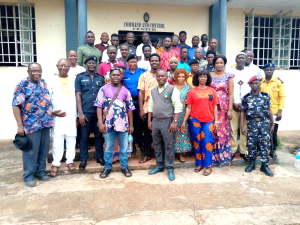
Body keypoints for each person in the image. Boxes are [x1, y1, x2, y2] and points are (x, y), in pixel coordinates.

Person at [12, 63, 56, 187]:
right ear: (28, 72)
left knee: (43, 149)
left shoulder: (43, 83)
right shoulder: (22, 85)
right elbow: (15, 105)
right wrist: (20, 126)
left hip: (45, 122)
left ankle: (40, 172)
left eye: (39, 71)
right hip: (31, 124)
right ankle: (28, 175)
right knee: (31, 151)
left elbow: (45, 102)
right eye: (34, 71)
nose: (37, 73)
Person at [95, 67, 135, 178]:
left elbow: (130, 109)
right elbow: (99, 107)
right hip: (108, 124)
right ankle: (107, 167)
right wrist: (100, 123)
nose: (116, 77)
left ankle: (124, 166)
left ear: (121, 76)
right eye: (113, 75)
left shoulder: (125, 91)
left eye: (118, 75)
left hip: (123, 124)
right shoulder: (103, 89)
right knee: (108, 147)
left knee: (124, 148)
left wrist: (131, 125)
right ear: (110, 76)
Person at [181, 70, 219, 176]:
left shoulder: (212, 91)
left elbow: (215, 106)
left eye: (205, 77)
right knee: (196, 142)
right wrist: (184, 121)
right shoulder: (192, 91)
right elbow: (188, 107)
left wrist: (216, 121)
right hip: (195, 120)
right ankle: (199, 163)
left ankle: (208, 165)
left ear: (207, 78)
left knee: (207, 142)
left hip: (208, 120)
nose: (203, 79)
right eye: (200, 77)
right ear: (197, 78)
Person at [148, 69, 183, 181]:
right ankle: (159, 166)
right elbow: (150, 107)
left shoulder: (172, 89)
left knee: (168, 145)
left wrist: (175, 122)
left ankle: (170, 168)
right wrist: (150, 121)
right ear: (156, 78)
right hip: (156, 121)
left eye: (163, 76)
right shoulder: (153, 90)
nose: (160, 78)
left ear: (167, 76)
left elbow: (178, 106)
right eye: (158, 76)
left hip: (168, 121)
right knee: (157, 145)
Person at [241, 76, 275, 177]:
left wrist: (272, 123)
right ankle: (252, 163)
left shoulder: (265, 96)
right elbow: (243, 112)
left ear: (259, 84)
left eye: (256, 83)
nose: (254, 85)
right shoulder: (246, 97)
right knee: (251, 143)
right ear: (250, 85)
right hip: (252, 123)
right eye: (252, 84)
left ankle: (265, 165)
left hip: (264, 123)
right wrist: (242, 126)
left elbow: (269, 110)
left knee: (265, 144)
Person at [75, 56, 105, 169]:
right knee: (84, 137)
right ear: (86, 64)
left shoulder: (100, 78)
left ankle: (99, 157)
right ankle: (83, 160)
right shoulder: (80, 77)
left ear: (96, 65)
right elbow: (78, 96)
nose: (92, 64)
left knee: (98, 136)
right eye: (90, 63)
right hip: (86, 112)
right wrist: (80, 114)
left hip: (98, 113)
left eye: (94, 63)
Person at [49, 59, 77, 176]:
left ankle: (70, 161)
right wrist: (52, 112)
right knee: (57, 139)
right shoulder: (51, 80)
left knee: (71, 139)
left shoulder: (74, 79)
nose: (64, 67)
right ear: (57, 66)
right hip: (58, 115)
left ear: (69, 67)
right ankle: (56, 163)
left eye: (66, 65)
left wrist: (78, 116)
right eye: (61, 65)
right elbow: (47, 99)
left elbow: (78, 97)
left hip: (71, 115)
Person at [227, 52, 254, 161]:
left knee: (244, 129)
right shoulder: (230, 71)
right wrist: (232, 102)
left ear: (246, 59)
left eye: (243, 58)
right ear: (236, 59)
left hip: (246, 105)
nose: (241, 60)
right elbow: (228, 89)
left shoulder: (250, 72)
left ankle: (243, 151)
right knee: (233, 129)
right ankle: (233, 150)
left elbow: (254, 86)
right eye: (239, 58)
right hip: (233, 104)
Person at [210, 55, 234, 166]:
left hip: (223, 108)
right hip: (210, 107)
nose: (219, 65)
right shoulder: (209, 75)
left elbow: (231, 94)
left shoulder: (229, 76)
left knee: (222, 131)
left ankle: (223, 157)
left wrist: (230, 110)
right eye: (217, 63)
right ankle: (212, 156)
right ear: (213, 64)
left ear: (224, 64)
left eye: (221, 63)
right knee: (212, 131)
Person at [137, 53, 160, 163]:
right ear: (149, 62)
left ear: (159, 62)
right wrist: (141, 109)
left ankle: (161, 155)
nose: (154, 62)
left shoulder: (164, 75)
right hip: (147, 109)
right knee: (147, 132)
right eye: (152, 60)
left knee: (160, 132)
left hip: (162, 109)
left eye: (156, 60)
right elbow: (141, 93)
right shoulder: (144, 76)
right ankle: (147, 154)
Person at [260, 63, 285, 160]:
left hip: (274, 111)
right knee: (262, 131)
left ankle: (273, 151)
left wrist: (280, 111)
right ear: (264, 71)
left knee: (273, 132)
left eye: (271, 70)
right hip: (262, 111)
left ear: (273, 71)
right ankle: (261, 149)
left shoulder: (278, 82)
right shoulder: (260, 82)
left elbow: (282, 97)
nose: (269, 71)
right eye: (267, 70)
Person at [123, 54, 147, 155]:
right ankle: (131, 145)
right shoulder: (124, 73)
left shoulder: (142, 72)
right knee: (129, 123)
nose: (133, 63)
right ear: (128, 63)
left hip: (139, 101)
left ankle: (140, 144)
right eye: (131, 62)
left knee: (138, 123)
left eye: (134, 61)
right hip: (127, 102)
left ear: (137, 62)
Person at [173, 68, 192, 162]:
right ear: (176, 77)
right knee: (172, 133)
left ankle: (181, 154)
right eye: (179, 76)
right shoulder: (171, 87)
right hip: (173, 113)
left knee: (182, 132)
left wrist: (185, 118)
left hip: (184, 113)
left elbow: (190, 104)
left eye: (183, 76)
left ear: (185, 77)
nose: (181, 78)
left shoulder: (189, 88)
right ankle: (171, 154)